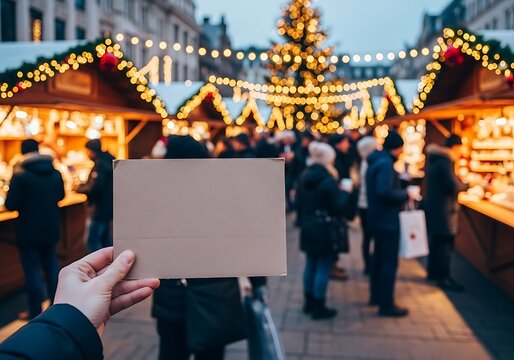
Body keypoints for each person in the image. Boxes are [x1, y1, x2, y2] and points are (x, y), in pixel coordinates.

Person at [153, 135, 246, 360]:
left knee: (172, 350)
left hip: (172, 293)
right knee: (211, 352)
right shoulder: (225, 194)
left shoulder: (156, 196)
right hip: (214, 295)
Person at [0, 247, 160, 359]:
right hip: (50, 230)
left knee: (34, 270)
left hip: (29, 234)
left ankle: (36, 308)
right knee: (49, 265)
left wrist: (71, 324)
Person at [5, 139, 64, 320]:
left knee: (32, 272)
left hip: (29, 230)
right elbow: (61, 195)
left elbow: (10, 204)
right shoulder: (55, 172)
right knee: (52, 268)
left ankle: (35, 312)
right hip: (51, 228)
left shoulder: (20, 175)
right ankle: (57, 306)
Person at [296, 142, 352, 320]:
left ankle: (308, 302)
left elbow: (298, 203)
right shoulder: (328, 180)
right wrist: (346, 192)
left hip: (308, 225)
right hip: (324, 228)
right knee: (323, 266)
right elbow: (338, 206)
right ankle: (319, 306)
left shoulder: (304, 175)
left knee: (310, 264)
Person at [366, 131, 416, 317]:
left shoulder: (376, 161)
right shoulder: (386, 164)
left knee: (379, 259)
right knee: (388, 262)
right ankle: (386, 303)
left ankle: (376, 295)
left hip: (377, 219)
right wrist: (405, 194)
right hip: (387, 221)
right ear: (397, 149)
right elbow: (383, 191)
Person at [424, 134, 468, 292]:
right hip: (444, 210)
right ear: (455, 147)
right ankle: (443, 278)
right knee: (445, 246)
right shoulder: (446, 161)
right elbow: (453, 186)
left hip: (436, 207)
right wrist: (467, 184)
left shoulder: (435, 158)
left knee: (436, 243)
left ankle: (433, 273)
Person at [76, 139, 115, 252]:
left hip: (99, 208)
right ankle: (109, 265)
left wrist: (79, 189)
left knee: (92, 241)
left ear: (91, 151)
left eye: (87, 151)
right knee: (105, 240)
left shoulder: (100, 165)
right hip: (108, 207)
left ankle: (98, 267)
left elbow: (96, 187)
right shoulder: (108, 161)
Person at [356, 136, 378, 275]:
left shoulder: (363, 162)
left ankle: (368, 264)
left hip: (363, 204)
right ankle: (370, 265)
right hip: (368, 205)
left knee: (367, 237)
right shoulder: (369, 163)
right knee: (370, 237)